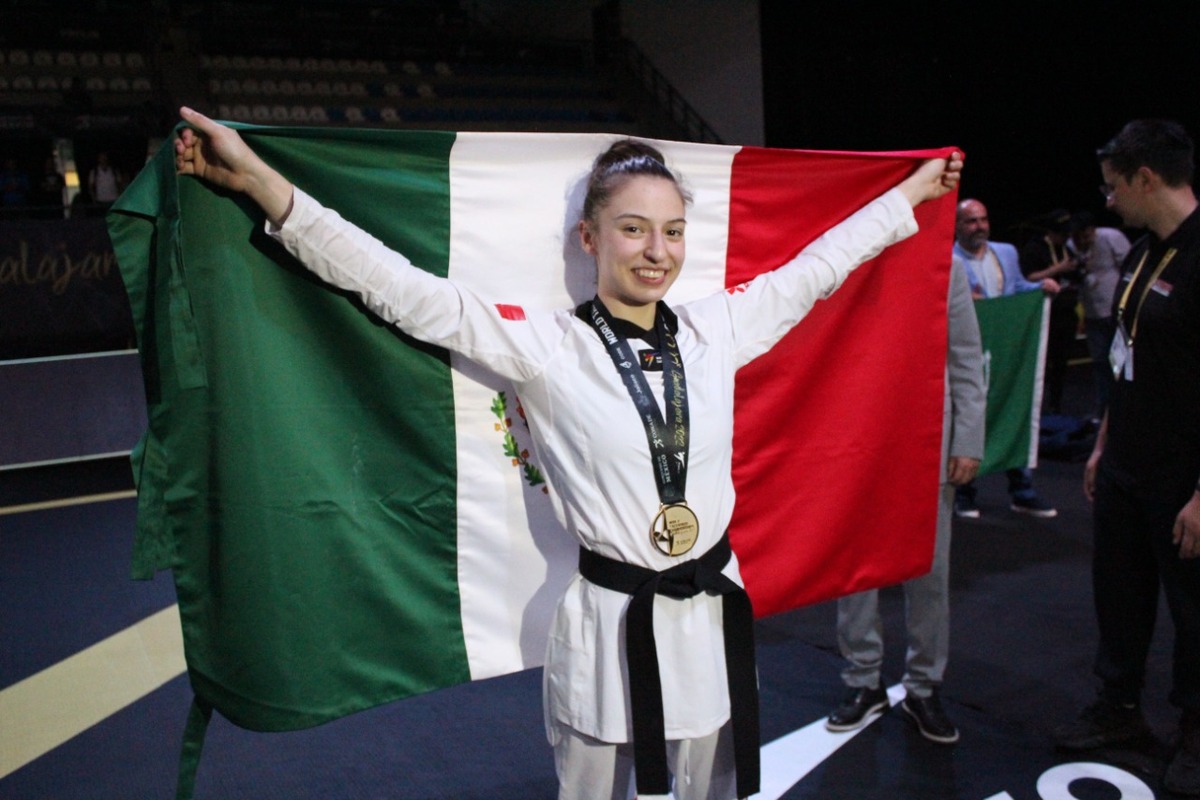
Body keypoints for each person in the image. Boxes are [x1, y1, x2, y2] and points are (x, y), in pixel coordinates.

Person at [174, 105, 961, 800]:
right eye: (633, 228)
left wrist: (911, 195)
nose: (656, 250)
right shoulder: (548, 346)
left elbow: (820, 269)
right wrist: (262, 184)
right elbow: (400, 289)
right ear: (590, 237)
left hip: (714, 607)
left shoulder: (716, 329)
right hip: (611, 628)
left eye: (673, 231)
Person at [1055, 118, 1200, 797]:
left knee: (1193, 608)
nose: (1108, 199)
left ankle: (1195, 732)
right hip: (1124, 464)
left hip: (1183, 476)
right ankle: (1118, 709)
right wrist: (1103, 442)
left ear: (1146, 178)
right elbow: (1125, 356)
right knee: (1119, 594)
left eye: (1114, 186)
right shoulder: (1143, 253)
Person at [826, 258, 985, 745]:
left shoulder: (944, 265)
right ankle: (863, 680)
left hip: (925, 439)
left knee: (929, 572)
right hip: (856, 438)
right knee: (856, 570)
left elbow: (966, 356)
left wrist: (968, 440)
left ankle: (923, 687)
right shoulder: (851, 253)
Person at [951, 198, 1059, 519]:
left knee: (1013, 411)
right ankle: (964, 492)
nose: (980, 226)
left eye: (983, 219)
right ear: (956, 226)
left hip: (1007, 353)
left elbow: (1018, 287)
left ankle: (1022, 491)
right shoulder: (949, 260)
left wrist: (1040, 287)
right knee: (969, 417)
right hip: (971, 356)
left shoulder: (1007, 252)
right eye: (971, 221)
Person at [1019, 209, 1085, 415]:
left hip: (1066, 312)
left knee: (1061, 363)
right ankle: (1035, 408)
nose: (1065, 237)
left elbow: (1076, 273)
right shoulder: (1035, 249)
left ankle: (1056, 405)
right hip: (1043, 315)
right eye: (1061, 233)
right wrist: (1057, 269)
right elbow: (1027, 278)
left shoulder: (1066, 248)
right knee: (1041, 363)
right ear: (1051, 232)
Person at [1068, 210, 1131, 420]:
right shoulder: (1072, 246)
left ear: (1092, 230)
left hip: (1115, 312)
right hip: (1093, 313)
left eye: (1086, 235)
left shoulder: (1111, 237)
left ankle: (1126, 408)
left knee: (1121, 362)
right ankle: (1103, 411)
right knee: (1100, 364)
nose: (1083, 240)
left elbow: (1130, 269)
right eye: (1079, 236)